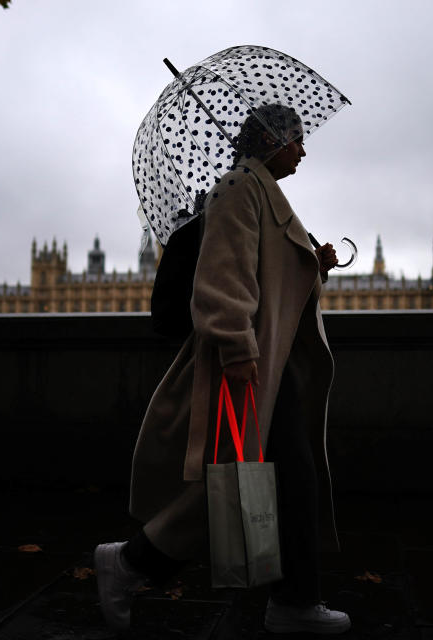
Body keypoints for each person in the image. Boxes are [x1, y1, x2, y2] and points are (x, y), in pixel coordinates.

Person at [96, 104, 350, 634]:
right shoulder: (238, 189)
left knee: (263, 482)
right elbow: (221, 282)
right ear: (273, 141)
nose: (303, 149)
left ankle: (287, 600)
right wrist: (238, 352)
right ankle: (288, 603)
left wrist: (313, 265)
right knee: (259, 483)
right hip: (252, 364)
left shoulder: (259, 189)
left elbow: (268, 279)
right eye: (297, 139)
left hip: (271, 360)